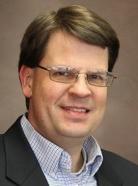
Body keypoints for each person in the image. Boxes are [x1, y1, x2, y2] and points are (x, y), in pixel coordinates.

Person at [0, 4, 138, 186]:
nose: (81, 91)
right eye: (63, 73)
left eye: (95, 76)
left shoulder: (131, 177)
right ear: (28, 81)